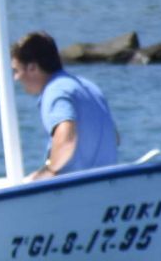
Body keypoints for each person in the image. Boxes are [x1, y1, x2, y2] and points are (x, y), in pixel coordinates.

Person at [11, 31, 120, 178]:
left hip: (77, 188)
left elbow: (66, 136)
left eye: (16, 70)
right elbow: (115, 137)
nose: (16, 78)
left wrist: (48, 172)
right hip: (109, 183)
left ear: (32, 68)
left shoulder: (54, 91)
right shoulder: (89, 87)